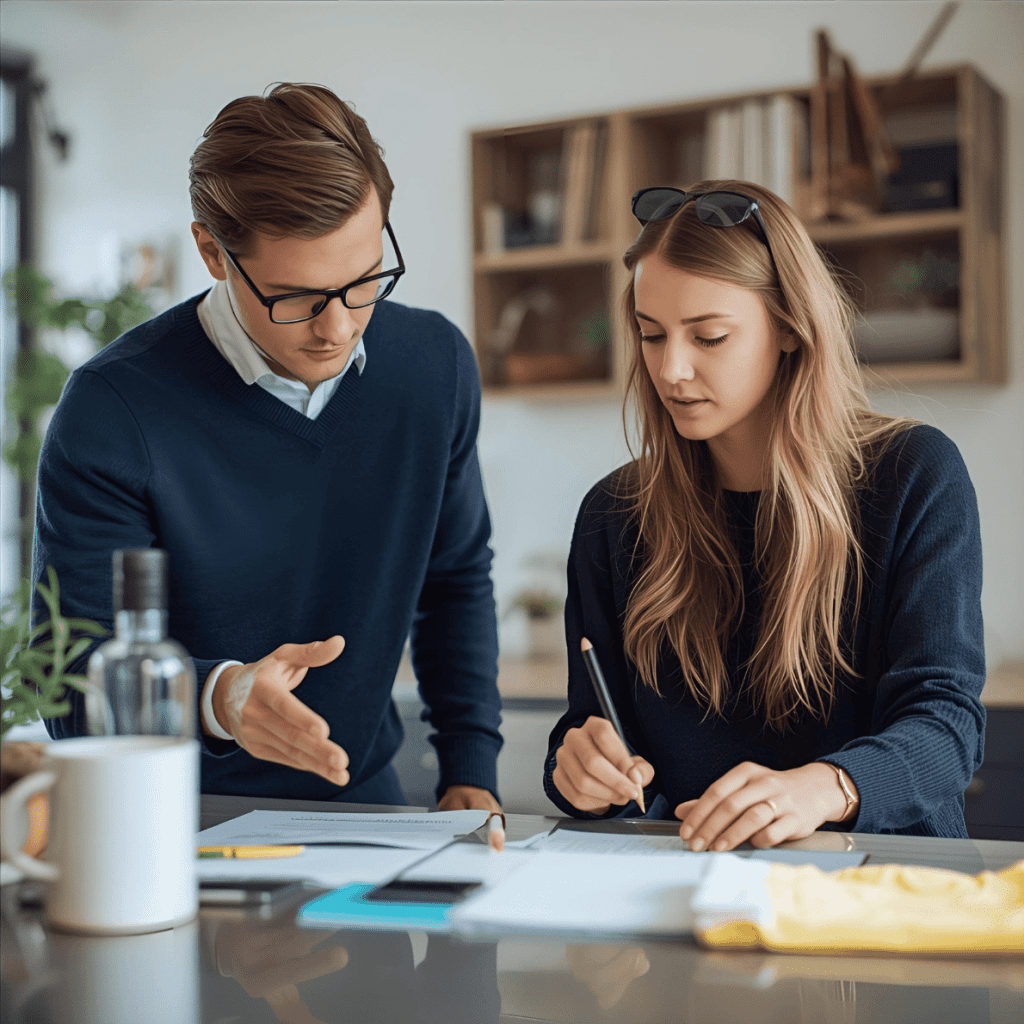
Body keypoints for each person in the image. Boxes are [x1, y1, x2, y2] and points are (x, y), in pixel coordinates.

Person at [34, 83, 502, 812]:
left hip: (364, 804)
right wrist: (221, 696)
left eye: (364, 282)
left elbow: (455, 581)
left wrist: (470, 772)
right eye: (297, 297)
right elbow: (65, 686)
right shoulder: (113, 410)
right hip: (171, 821)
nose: (338, 328)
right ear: (212, 253)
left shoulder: (433, 366)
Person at [544, 181, 985, 848]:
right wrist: (577, 768)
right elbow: (592, 727)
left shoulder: (914, 474)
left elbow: (948, 727)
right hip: (688, 879)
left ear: (788, 327)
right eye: (651, 335)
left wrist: (827, 787)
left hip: (887, 878)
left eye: (709, 337)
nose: (672, 370)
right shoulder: (613, 515)